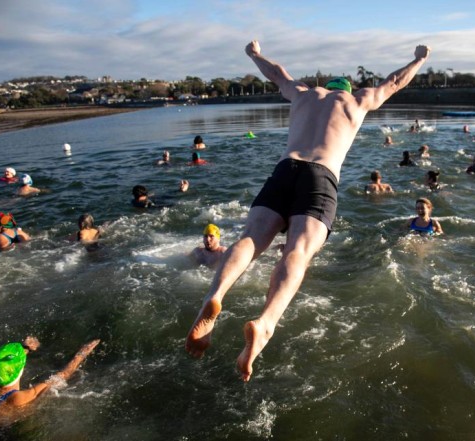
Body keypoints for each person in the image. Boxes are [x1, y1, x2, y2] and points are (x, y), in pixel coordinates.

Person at [185, 39, 431, 381]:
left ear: (324, 87)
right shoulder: (358, 100)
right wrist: (418, 60)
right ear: (347, 89)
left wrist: (254, 54)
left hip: (286, 168)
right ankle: (266, 323)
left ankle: (213, 297)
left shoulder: (303, 93)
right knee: (297, 252)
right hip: (321, 174)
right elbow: (394, 82)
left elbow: (276, 74)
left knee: (251, 239)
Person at [0, 337, 99, 431]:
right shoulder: (17, 398)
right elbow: (61, 377)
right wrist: (81, 355)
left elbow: (2, 364)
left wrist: (26, 348)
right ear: (21, 371)